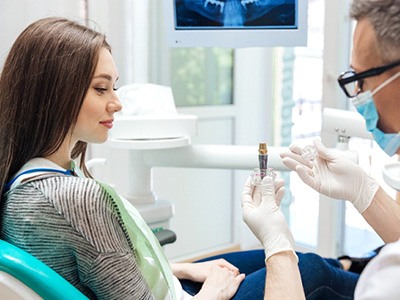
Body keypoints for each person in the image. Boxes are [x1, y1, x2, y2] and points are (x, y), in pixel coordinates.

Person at [1, 16, 346, 300]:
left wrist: (182, 269)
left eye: (115, 87)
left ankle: (355, 264)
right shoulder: (75, 199)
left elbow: (102, 274)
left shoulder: (22, 179)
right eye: (101, 88)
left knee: (288, 260)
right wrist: (211, 292)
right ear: (55, 92)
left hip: (166, 288)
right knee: (310, 270)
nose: (116, 103)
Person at [241, 0, 400, 299]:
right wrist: (364, 191)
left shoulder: (390, 280)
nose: (358, 96)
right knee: (314, 268)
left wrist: (278, 247)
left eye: (360, 80)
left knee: (311, 271)